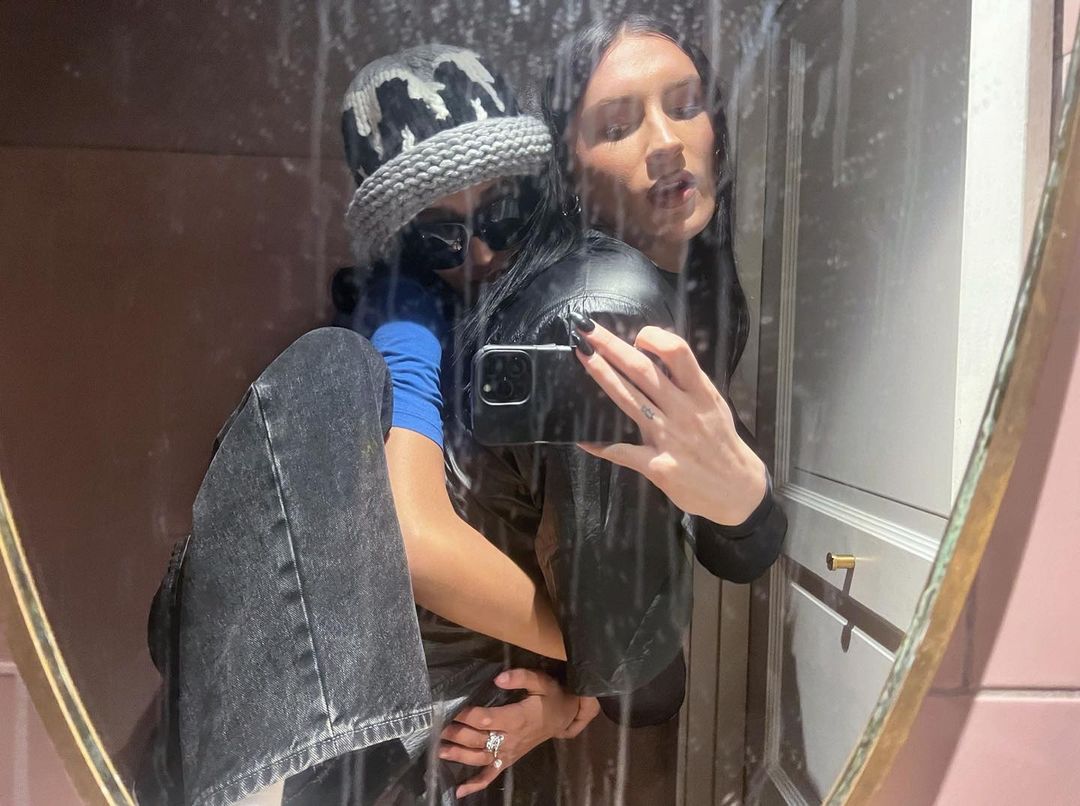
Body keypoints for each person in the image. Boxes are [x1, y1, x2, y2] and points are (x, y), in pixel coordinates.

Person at [138, 45, 596, 806]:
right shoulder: (408, 314)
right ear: (405, 245)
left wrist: (565, 703)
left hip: (489, 697)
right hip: (378, 704)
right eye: (440, 236)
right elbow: (418, 545)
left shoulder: (567, 301)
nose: (481, 251)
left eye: (502, 212)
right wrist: (594, 666)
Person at [447, 14, 787, 737]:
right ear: (567, 170)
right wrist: (577, 702)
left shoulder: (663, 282)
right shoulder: (607, 311)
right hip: (470, 708)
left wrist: (743, 506)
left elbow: (721, 498)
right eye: (617, 126)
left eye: (686, 106)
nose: (666, 143)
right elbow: (640, 686)